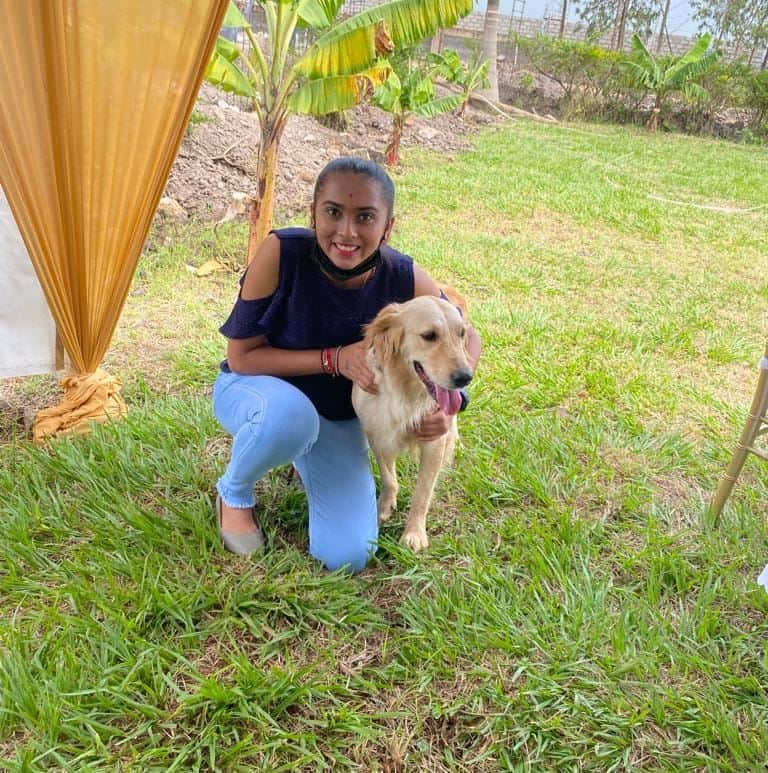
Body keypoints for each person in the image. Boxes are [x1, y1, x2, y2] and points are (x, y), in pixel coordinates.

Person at [212, 157, 482, 572]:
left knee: (347, 554)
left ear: (387, 226)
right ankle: (235, 492)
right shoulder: (281, 253)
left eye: (366, 217)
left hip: (338, 420)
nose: (347, 231)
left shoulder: (402, 275)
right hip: (257, 391)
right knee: (290, 417)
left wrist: (452, 401)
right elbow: (241, 357)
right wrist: (334, 359)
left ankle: (306, 456)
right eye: (333, 212)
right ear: (314, 213)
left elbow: (466, 332)